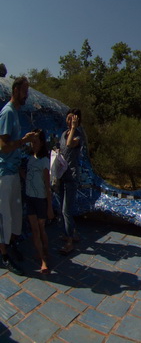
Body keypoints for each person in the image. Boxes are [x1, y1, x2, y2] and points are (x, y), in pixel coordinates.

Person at [0, 77, 37, 275]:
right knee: (3, 216)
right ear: (15, 91)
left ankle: (11, 246)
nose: (27, 95)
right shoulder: (7, 113)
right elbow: (3, 147)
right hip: (4, 173)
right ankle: (4, 255)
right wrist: (23, 141)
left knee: (15, 217)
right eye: (24, 91)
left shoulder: (16, 113)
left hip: (14, 172)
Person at [23, 129, 53, 274]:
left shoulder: (44, 161)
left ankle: (45, 253)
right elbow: (27, 176)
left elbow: (47, 186)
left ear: (41, 143)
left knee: (41, 229)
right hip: (30, 198)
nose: (33, 144)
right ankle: (43, 259)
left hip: (40, 199)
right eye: (32, 142)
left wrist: (49, 207)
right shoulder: (30, 158)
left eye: (35, 142)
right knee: (35, 230)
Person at [58, 108, 83, 255]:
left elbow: (69, 144)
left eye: (72, 119)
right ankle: (71, 233)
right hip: (62, 175)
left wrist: (74, 128)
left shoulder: (77, 136)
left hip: (71, 177)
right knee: (62, 208)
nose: (69, 121)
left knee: (66, 210)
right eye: (68, 119)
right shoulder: (63, 134)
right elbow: (62, 148)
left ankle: (69, 241)